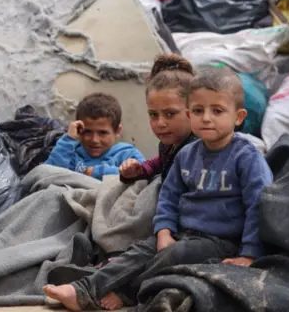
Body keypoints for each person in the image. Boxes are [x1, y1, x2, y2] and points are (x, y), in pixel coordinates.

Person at [43, 67, 273, 311]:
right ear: (189, 113)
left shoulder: (246, 158)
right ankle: (83, 288)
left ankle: (126, 291)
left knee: (174, 254)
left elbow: (258, 206)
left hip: (222, 240)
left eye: (217, 111)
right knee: (139, 251)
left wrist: (249, 254)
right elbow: (169, 196)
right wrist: (164, 230)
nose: (206, 118)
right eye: (198, 111)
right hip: (183, 231)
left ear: (238, 117)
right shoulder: (187, 154)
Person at [119, 54, 198, 184]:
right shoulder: (168, 145)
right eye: (153, 115)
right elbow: (160, 163)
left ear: (194, 110)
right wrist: (140, 170)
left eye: (170, 114)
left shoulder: (200, 151)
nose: (160, 123)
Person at [45, 92, 145, 180]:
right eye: (87, 132)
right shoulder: (70, 153)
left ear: (117, 131)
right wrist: (68, 140)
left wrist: (96, 172)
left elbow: (143, 174)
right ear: (79, 130)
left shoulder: (127, 155)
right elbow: (46, 175)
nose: (94, 140)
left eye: (102, 133)